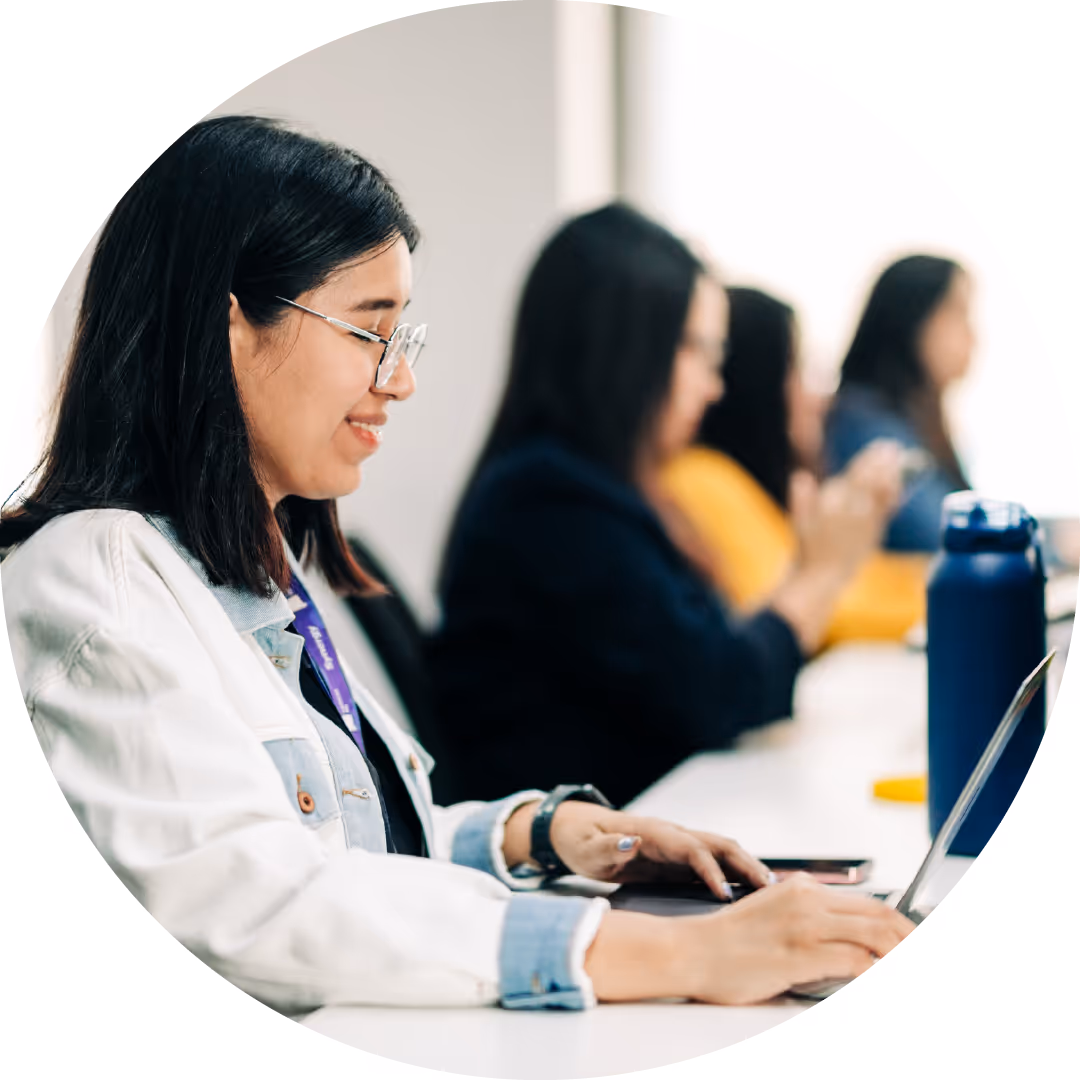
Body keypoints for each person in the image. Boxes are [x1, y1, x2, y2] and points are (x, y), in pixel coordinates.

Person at [0, 117, 912, 1016]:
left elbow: (343, 849)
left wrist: (540, 834)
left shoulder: (250, 567)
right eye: (368, 332)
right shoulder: (100, 575)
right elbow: (255, 903)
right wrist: (674, 951)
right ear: (225, 325)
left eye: (405, 341)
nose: (400, 380)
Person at [429, 205, 904, 809]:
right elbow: (719, 691)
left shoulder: (585, 486)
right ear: (626, 352)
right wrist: (822, 570)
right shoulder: (551, 503)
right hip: (580, 871)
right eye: (699, 354)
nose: (715, 386)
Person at [661, 287, 927, 647]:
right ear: (757, 381)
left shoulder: (740, 479)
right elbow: (810, 611)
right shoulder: (699, 476)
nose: (815, 395)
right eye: (796, 368)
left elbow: (857, 585)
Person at [824, 255, 975, 552]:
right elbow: (942, 536)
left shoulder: (914, 418)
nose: (974, 336)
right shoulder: (866, 423)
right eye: (959, 313)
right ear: (914, 318)